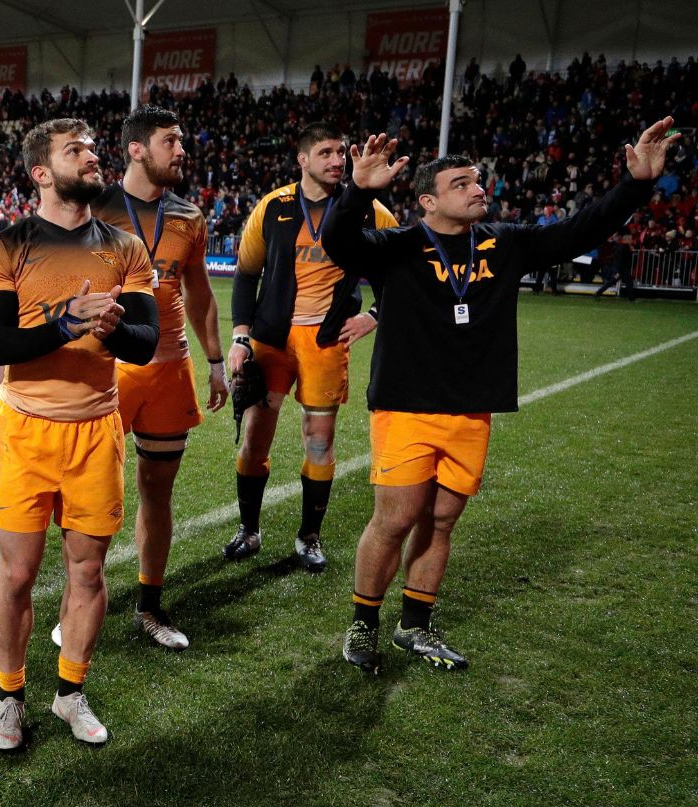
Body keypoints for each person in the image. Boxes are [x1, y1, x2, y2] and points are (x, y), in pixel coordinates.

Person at [322, 120, 678, 674]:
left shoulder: (505, 242)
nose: (477, 188)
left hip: (471, 409)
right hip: (408, 406)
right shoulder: (399, 247)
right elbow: (340, 243)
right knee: (394, 521)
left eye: (478, 180)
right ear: (427, 201)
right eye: (461, 183)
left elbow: (578, 231)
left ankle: (414, 626)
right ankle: (363, 624)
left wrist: (634, 185)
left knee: (440, 522)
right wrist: (358, 191)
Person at [0, 118, 158, 751]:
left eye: (92, 148)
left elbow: (146, 342)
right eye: (75, 151)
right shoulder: (4, 246)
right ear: (42, 173)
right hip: (23, 429)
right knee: (17, 574)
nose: (91, 157)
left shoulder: (127, 248)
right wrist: (65, 321)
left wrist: (106, 330)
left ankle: (70, 693)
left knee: (89, 573)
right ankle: (10, 696)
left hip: (95, 430)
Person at [63, 104, 227, 650]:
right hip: (104, 367)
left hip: (169, 367)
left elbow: (199, 291)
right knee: (90, 496)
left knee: (158, 490)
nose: (181, 150)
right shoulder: (94, 207)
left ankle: (150, 608)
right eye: (170, 141)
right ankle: (76, 605)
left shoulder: (189, 215)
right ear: (137, 149)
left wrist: (216, 360)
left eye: (180, 141)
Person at [224, 123, 399, 571]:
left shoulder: (369, 209)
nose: (337, 160)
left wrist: (373, 316)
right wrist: (240, 336)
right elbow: (246, 274)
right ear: (302, 160)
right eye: (326, 152)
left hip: (326, 342)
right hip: (271, 340)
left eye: (341, 152)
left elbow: (402, 273)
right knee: (254, 440)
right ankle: (249, 530)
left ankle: (309, 536)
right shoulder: (273, 206)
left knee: (319, 442)